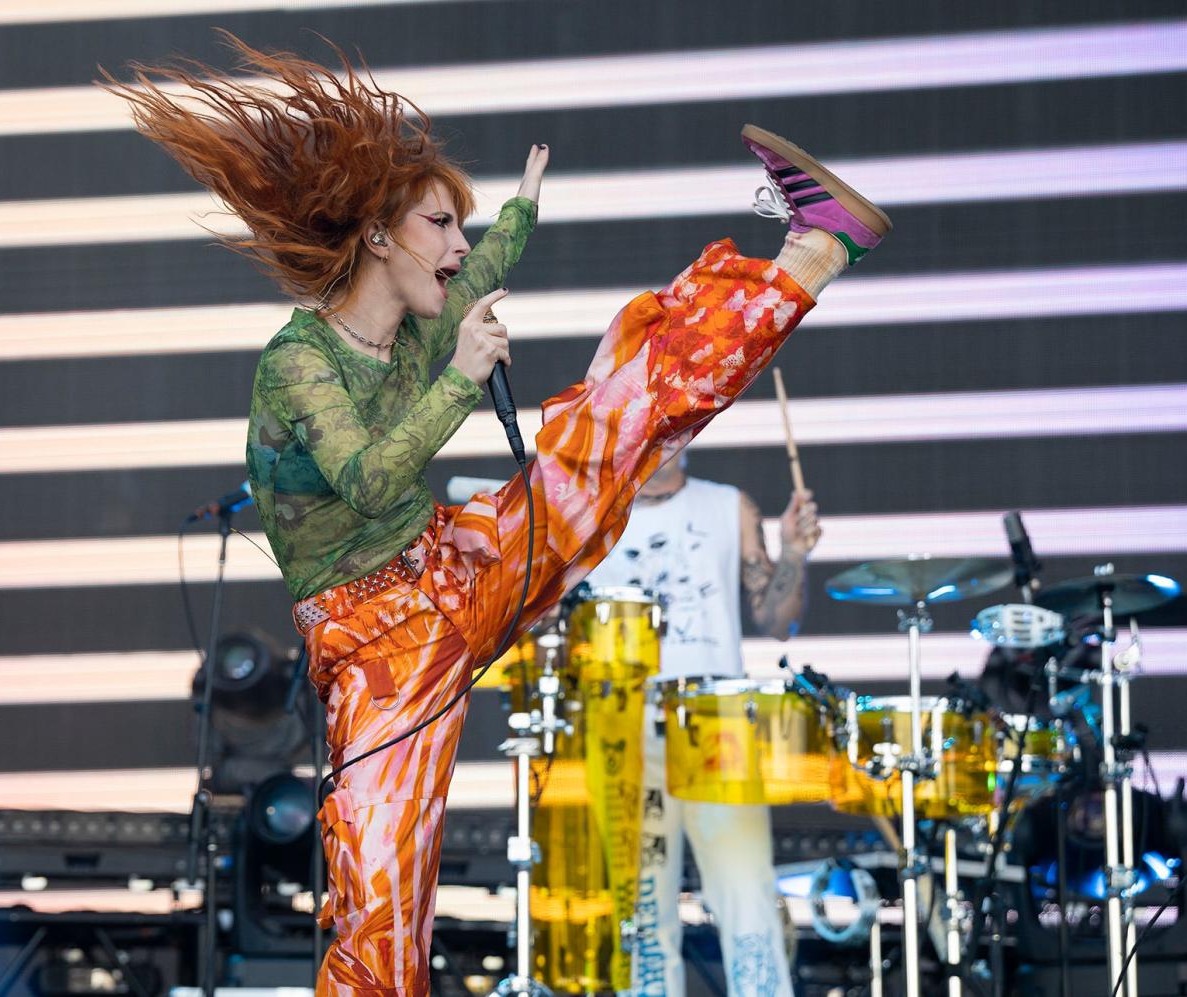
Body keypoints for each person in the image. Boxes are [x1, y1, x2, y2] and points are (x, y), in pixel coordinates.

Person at [105, 35, 890, 996]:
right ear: (381, 239)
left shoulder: (412, 316)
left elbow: (478, 276)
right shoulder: (298, 361)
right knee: (381, 917)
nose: (460, 246)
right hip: (379, 647)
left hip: (455, 570)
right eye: (441, 224)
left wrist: (516, 209)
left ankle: (816, 246)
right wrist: (464, 382)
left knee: (618, 413)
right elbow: (364, 479)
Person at [583, 452, 820, 997]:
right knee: (641, 911)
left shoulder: (727, 504)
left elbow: (777, 622)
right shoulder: (591, 511)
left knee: (746, 896)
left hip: (718, 721)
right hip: (626, 723)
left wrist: (793, 554)